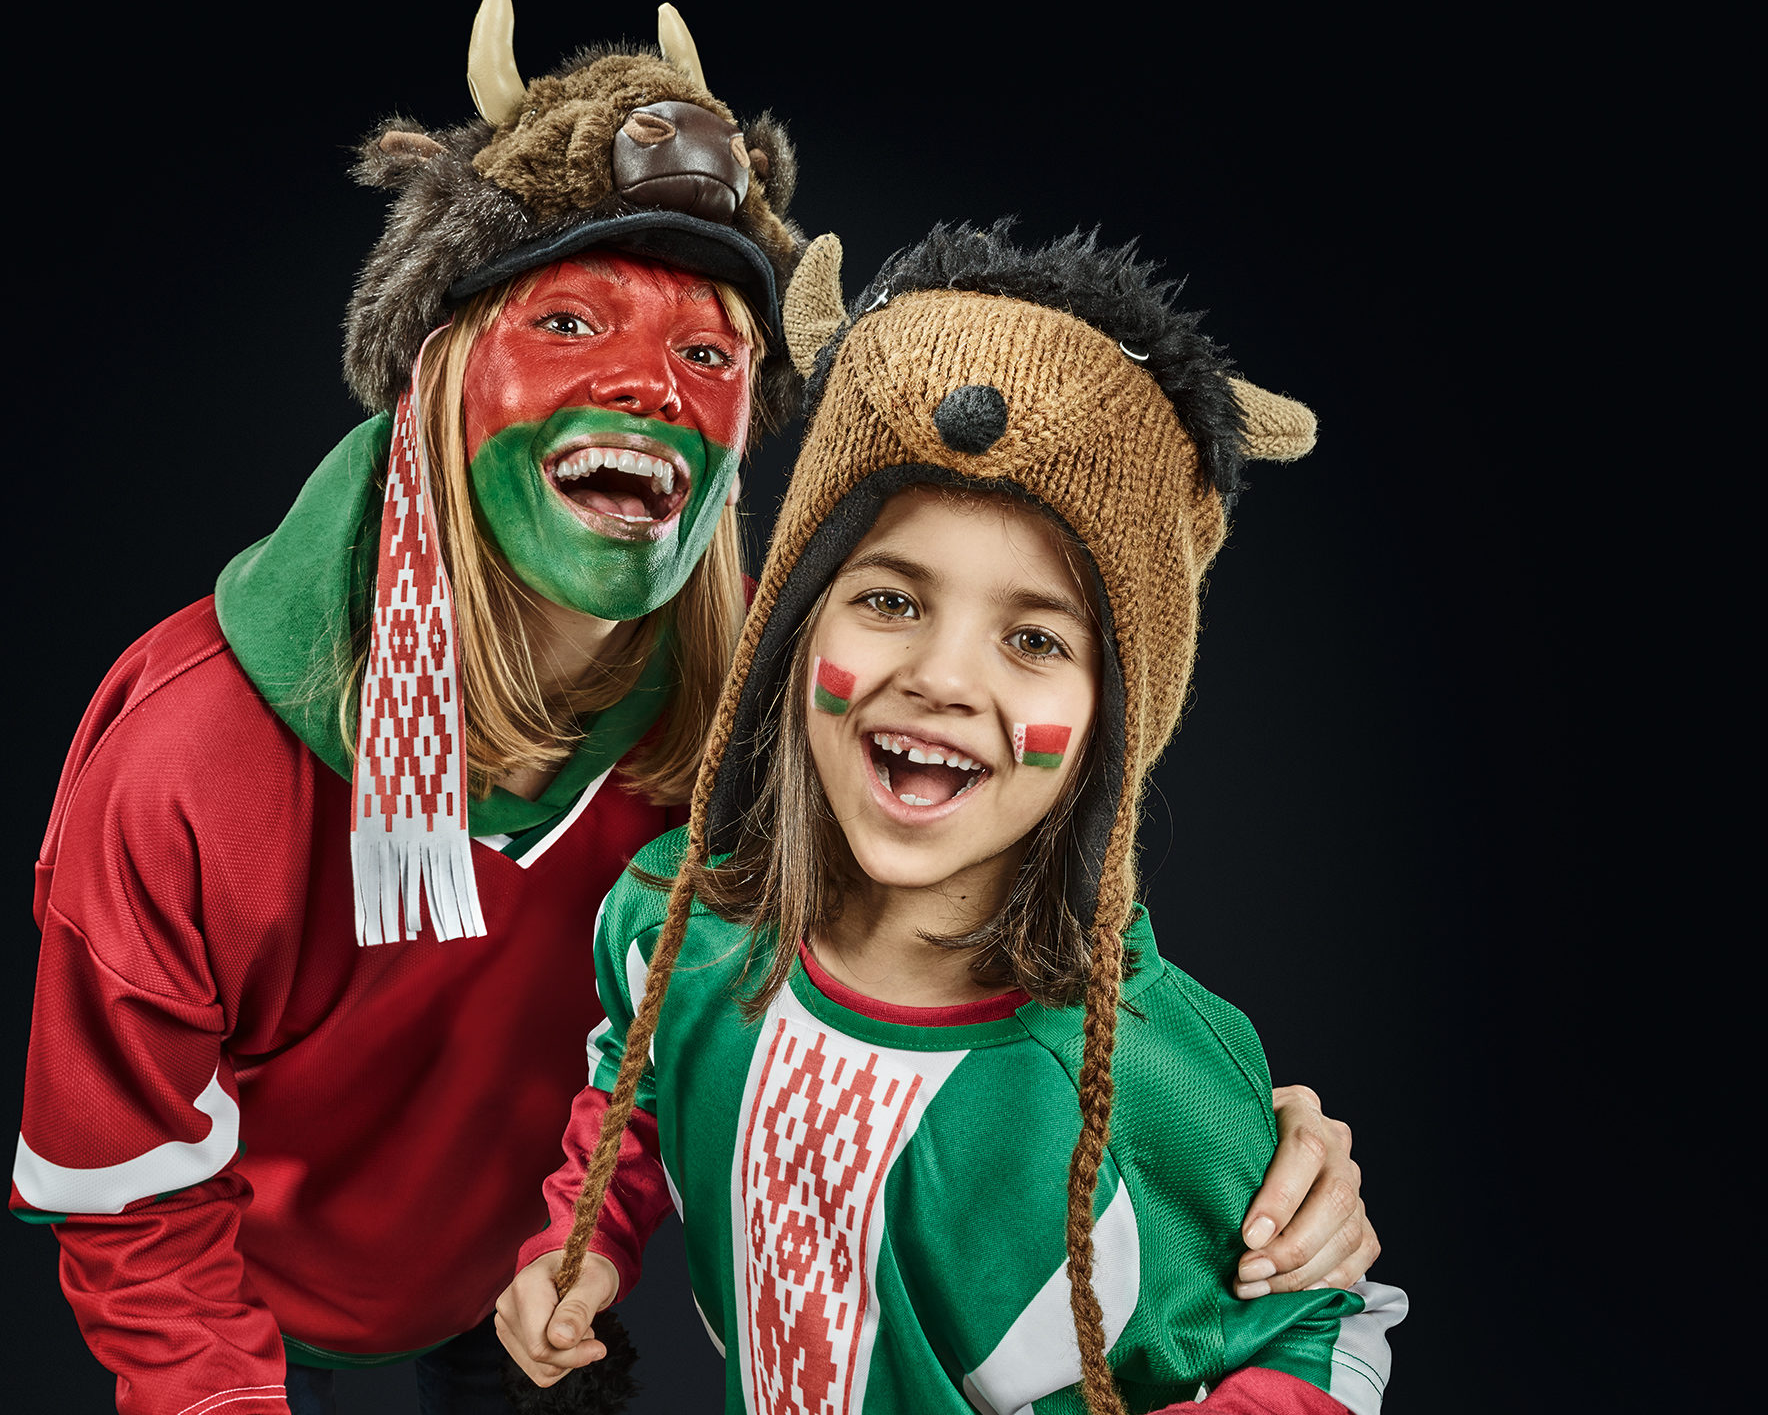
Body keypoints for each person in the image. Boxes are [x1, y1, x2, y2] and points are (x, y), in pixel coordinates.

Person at [11, 0, 1376, 1415]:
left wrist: (1251, 1153)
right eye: (570, 318)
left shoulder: (757, 730)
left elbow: (999, 944)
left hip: (533, 1323)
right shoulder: (190, 757)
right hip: (255, 1314)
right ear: (438, 375)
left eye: (709, 354)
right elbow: (136, 1208)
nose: (645, 387)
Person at [495, 225, 1407, 1415]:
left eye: (1034, 639)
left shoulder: (1146, 1078)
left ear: (1113, 720)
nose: (941, 677)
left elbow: (1322, 1336)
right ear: (795, 628)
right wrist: (582, 1242)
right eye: (888, 599)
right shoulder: (674, 921)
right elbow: (638, 1073)